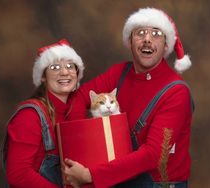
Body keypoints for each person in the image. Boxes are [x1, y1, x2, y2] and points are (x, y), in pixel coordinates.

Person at [64, 7, 194, 188]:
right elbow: (78, 98)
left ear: (166, 45)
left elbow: (153, 155)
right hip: (117, 179)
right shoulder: (120, 73)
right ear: (130, 42)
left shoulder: (177, 92)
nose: (147, 39)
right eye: (140, 33)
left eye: (156, 34)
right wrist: (80, 148)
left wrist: (90, 174)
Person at [2, 39, 84, 188]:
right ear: (43, 77)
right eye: (55, 67)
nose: (64, 72)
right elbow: (18, 174)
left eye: (70, 66)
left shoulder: (74, 112)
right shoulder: (29, 115)